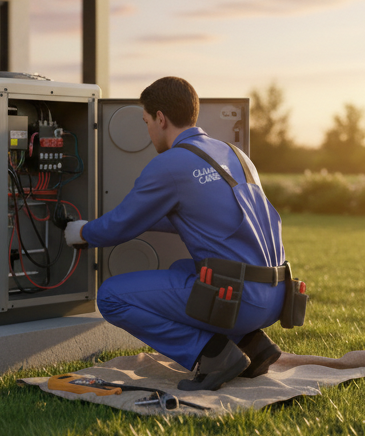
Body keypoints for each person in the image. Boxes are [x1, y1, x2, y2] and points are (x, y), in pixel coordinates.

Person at [65, 77, 309, 391]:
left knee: (111, 296)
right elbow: (204, 218)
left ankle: (213, 356)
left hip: (240, 301)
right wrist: (143, 218)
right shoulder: (235, 154)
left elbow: (119, 226)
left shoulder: (169, 164)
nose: (148, 129)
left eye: (146, 121)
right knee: (183, 270)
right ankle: (256, 348)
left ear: (161, 118)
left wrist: (82, 231)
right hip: (277, 295)